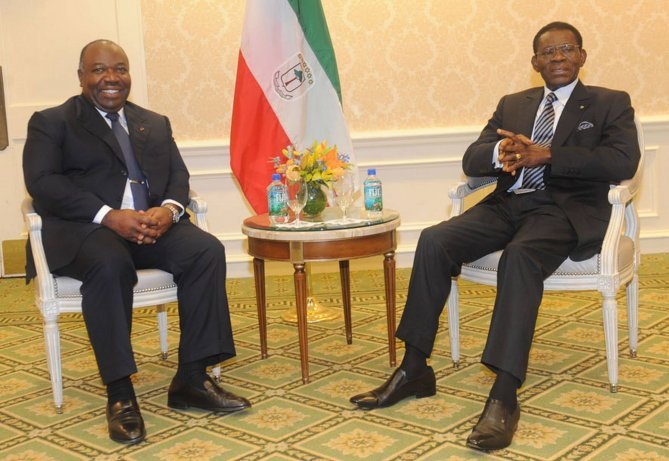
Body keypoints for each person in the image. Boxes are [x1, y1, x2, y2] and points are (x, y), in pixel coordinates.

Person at [349, 22, 640, 451]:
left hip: (562, 210)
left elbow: (622, 161)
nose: (558, 57)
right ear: (535, 62)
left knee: (519, 257)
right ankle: (414, 369)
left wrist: (549, 155)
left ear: (582, 56)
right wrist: (498, 152)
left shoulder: (609, 102)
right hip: (507, 205)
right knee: (434, 240)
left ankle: (504, 394)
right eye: (548, 52)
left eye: (567, 49)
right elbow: (472, 159)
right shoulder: (514, 104)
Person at [23, 39, 251, 445]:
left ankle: (192, 378)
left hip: (150, 227)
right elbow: (43, 184)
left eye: (120, 69)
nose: (111, 77)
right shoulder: (53, 122)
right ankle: (120, 394)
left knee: (206, 251)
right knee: (110, 263)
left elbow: (178, 177)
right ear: (81, 77)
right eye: (99, 69)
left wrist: (169, 210)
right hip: (86, 230)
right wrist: (108, 215)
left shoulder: (154, 122)